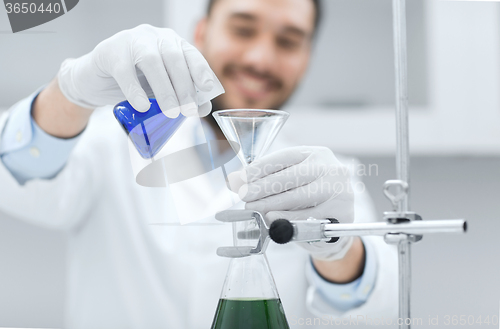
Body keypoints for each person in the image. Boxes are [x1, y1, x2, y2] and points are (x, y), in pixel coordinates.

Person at [0, 0, 398, 327]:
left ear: (307, 57)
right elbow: (15, 174)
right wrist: (70, 93)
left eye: (289, 41)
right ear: (201, 33)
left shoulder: (326, 180)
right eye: (243, 29)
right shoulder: (109, 143)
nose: (261, 58)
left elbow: (374, 312)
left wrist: (337, 247)